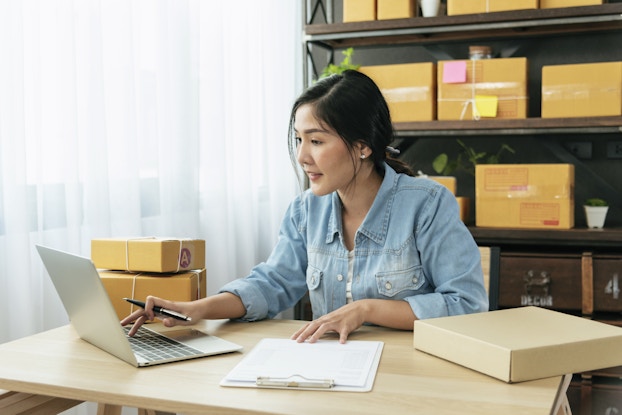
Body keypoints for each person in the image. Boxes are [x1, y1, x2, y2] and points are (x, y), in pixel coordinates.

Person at [121, 70, 489, 343]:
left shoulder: (426, 205)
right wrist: (195, 309)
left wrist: (366, 309)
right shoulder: (304, 212)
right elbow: (271, 284)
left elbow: (467, 304)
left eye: (316, 140)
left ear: (362, 146)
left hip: (413, 379)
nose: (301, 156)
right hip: (333, 371)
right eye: (299, 139)